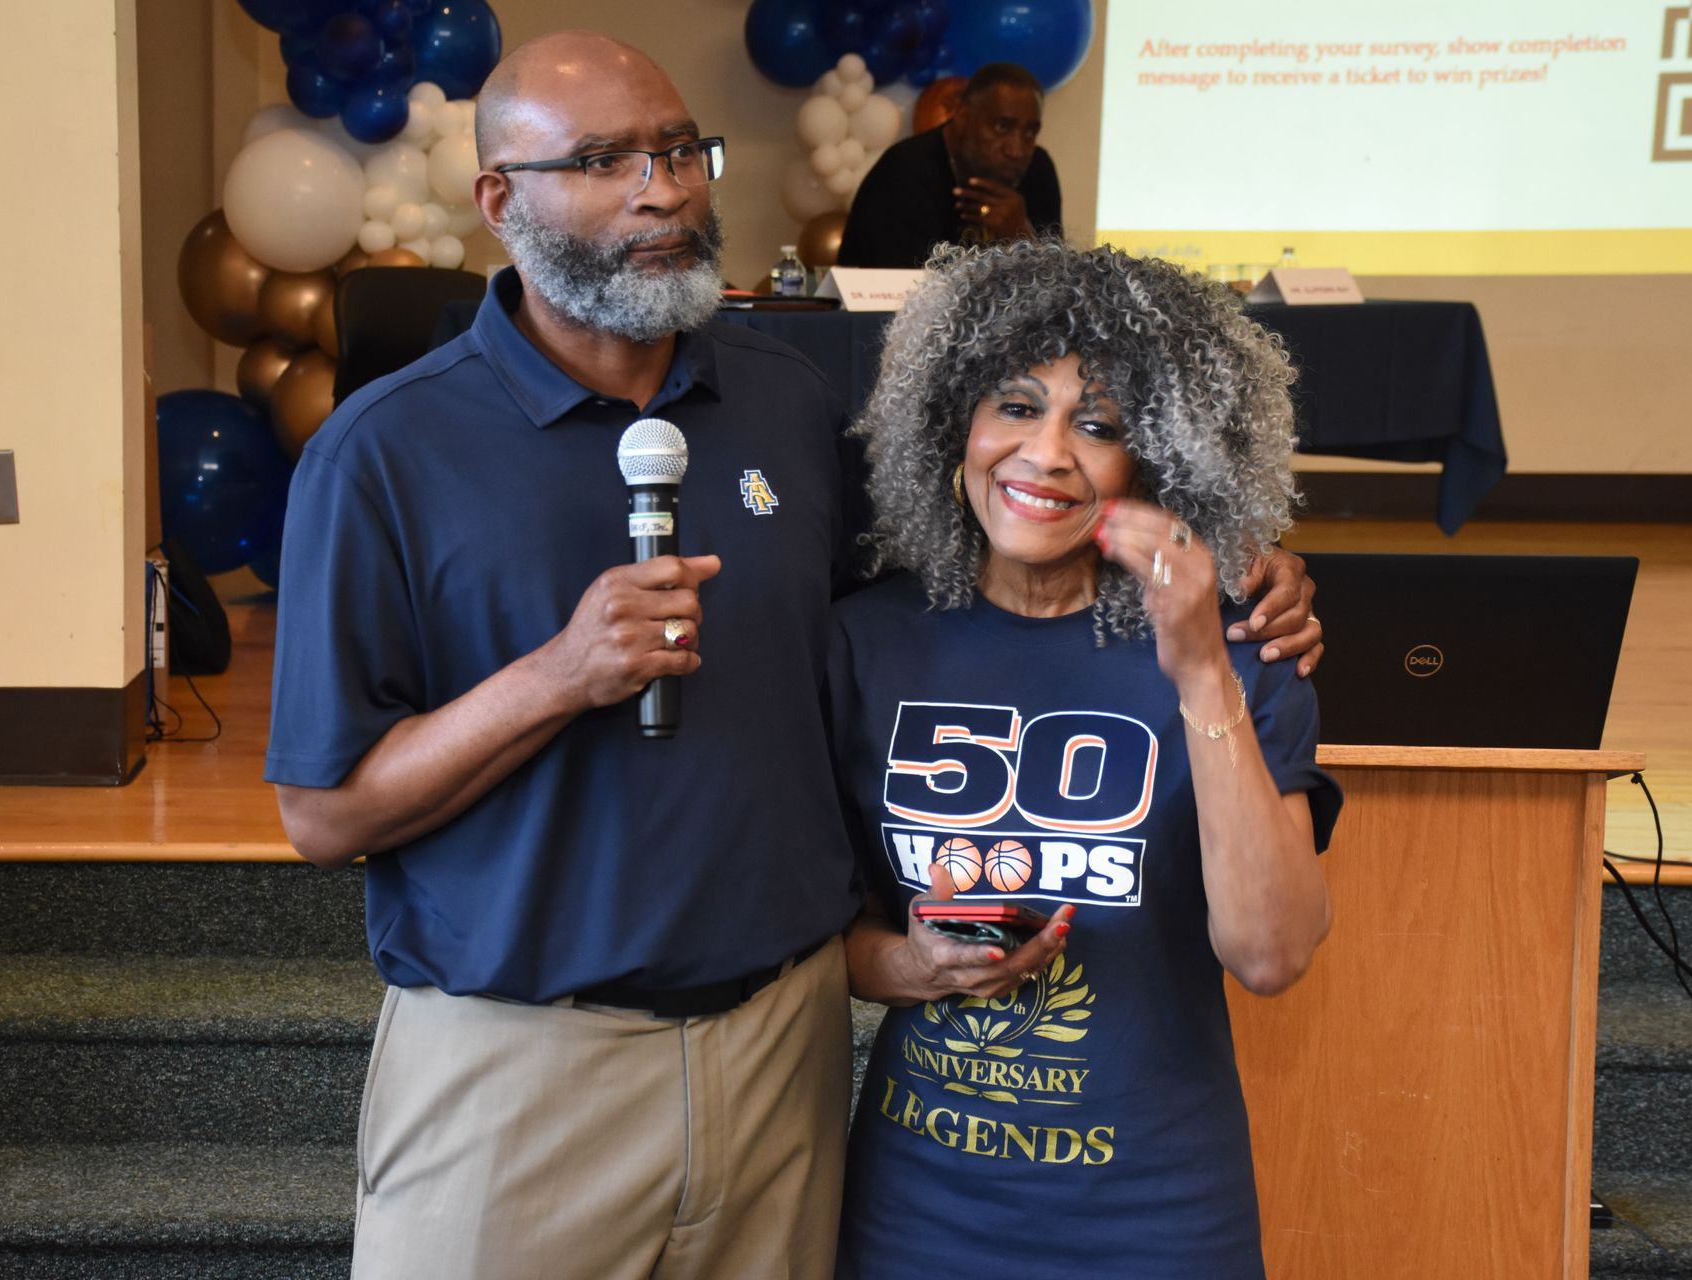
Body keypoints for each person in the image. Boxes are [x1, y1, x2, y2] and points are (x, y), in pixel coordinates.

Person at [266, 31, 1321, 1279]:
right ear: (500, 199)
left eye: (677, 151)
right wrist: (560, 674)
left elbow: (999, 540)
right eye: (603, 160)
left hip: (785, 1052)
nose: (659, 188)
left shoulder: (783, 402)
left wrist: (1249, 564)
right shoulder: (385, 451)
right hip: (524, 1063)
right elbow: (324, 814)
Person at [827, 239, 1342, 1279]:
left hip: (1153, 1213)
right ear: (952, 426)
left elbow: (1272, 952)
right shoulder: (861, 644)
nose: (1048, 452)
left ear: (1160, 463)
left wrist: (1201, 670)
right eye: (1014, 406)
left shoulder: (1243, 659)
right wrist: (911, 964)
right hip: (916, 1211)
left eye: (1098, 425)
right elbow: (816, 933)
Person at [836, 62, 1060, 269]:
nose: (1016, 150)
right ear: (962, 116)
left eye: (1031, 132)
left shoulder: (1037, 170)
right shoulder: (905, 173)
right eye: (1002, 127)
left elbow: (1060, 294)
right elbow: (906, 296)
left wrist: (1023, 240)